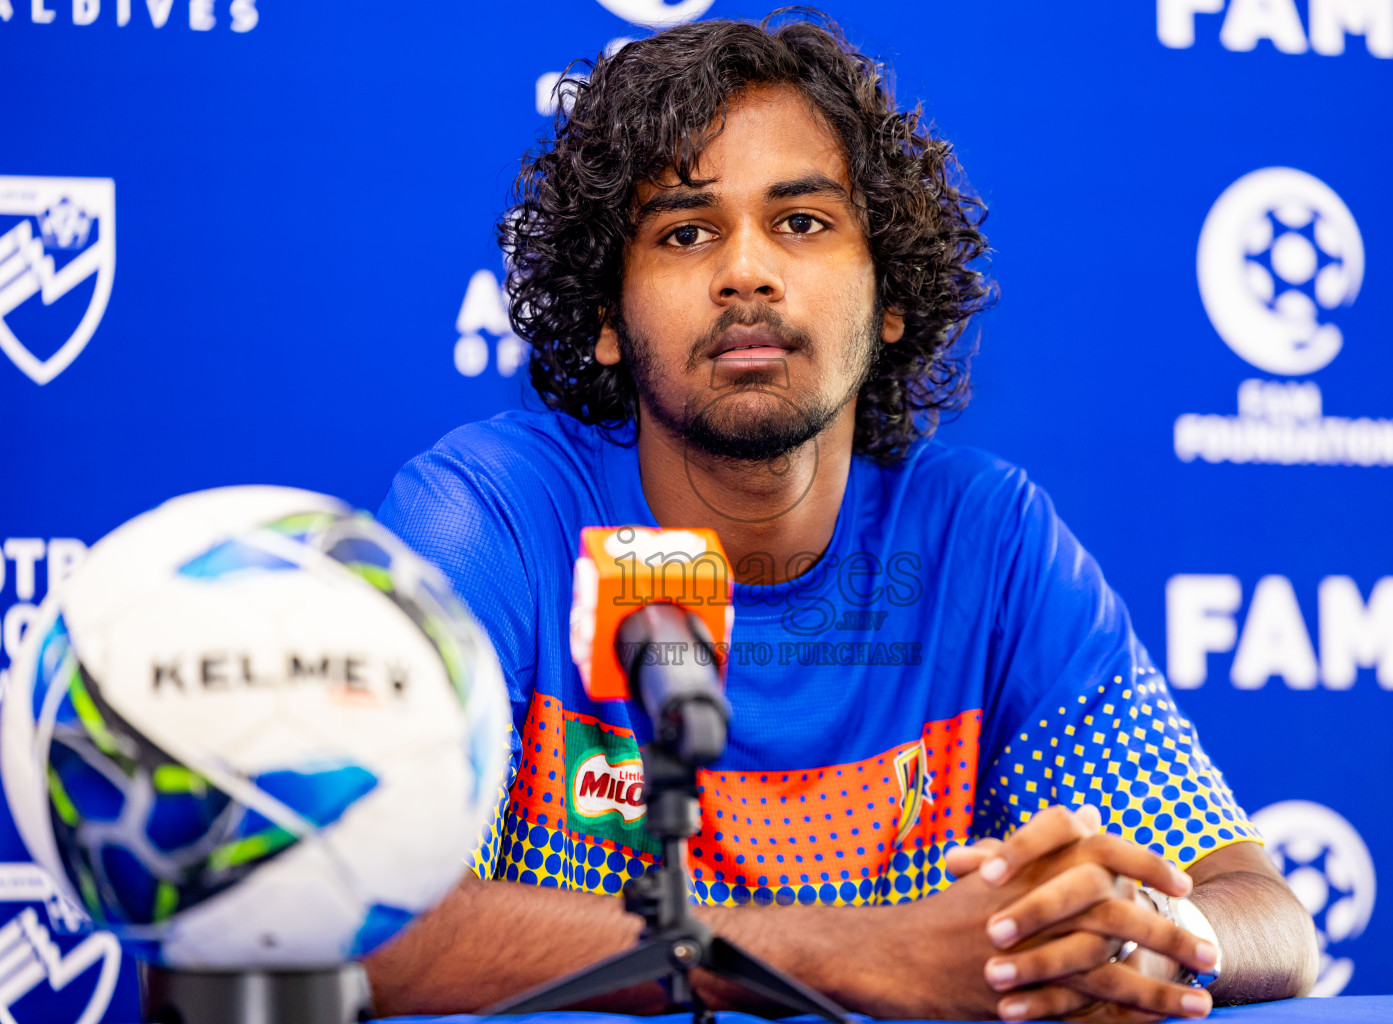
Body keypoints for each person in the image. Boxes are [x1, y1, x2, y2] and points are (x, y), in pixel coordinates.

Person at [369, 13, 1317, 1021]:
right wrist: (859, 956)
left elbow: (1262, 910)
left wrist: (1119, 937)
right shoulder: (496, 518)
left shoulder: (981, 538)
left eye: (802, 222)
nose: (747, 271)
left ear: (890, 299)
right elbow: (369, 925)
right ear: (608, 317)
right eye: (686, 231)